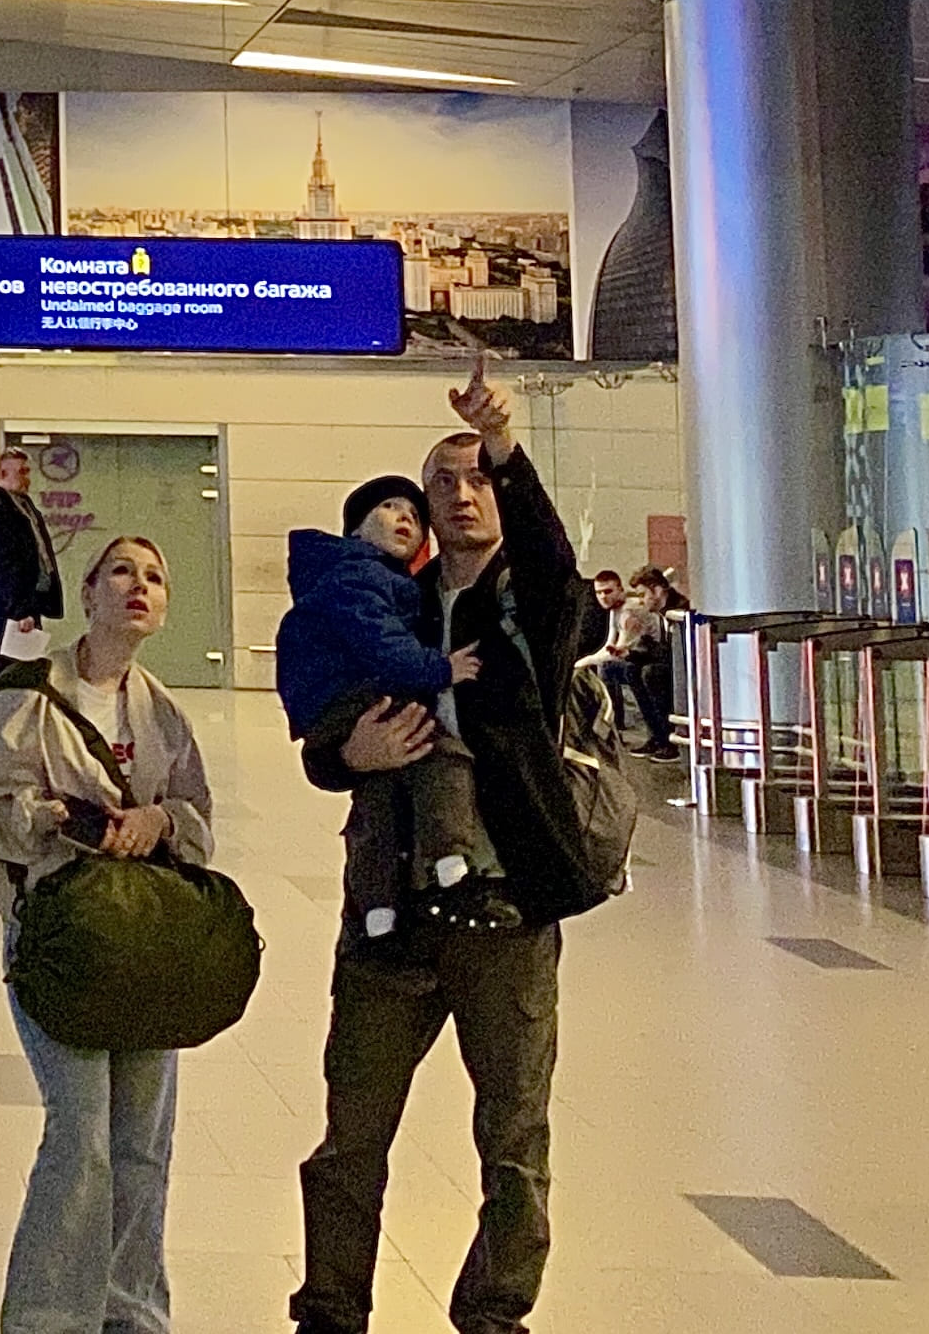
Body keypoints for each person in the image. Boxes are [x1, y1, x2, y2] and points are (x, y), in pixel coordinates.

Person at [292, 360, 598, 1334]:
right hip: (388, 912)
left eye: (479, 478)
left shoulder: (530, 605)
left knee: (512, 1136)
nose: (463, 493)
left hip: (504, 912)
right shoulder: (395, 604)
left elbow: (552, 559)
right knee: (350, 1136)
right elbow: (326, 720)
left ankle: (494, 1311)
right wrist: (346, 751)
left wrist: (502, 439)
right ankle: (329, 1309)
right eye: (443, 481)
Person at [0, 535, 212, 1334]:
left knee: (142, 1140)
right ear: (88, 593)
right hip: (59, 939)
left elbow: (198, 822)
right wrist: (51, 818)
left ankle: (131, 1312)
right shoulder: (26, 696)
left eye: (155, 575)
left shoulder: (163, 712)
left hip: (144, 941)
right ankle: (48, 1317)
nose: (139, 584)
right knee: (80, 1132)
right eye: (121, 570)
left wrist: (159, 820)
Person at [275, 477, 509, 937]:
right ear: (356, 529)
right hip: (352, 698)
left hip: (333, 705)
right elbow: (382, 644)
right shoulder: (361, 576)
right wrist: (441, 669)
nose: (404, 517)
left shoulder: (374, 577)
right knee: (441, 754)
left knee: (380, 798)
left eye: (414, 516)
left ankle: (377, 907)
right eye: (388, 506)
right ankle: (451, 859)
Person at [0, 444, 67, 647]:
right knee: (12, 660)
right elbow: (2, 563)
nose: (27, 478)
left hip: (29, 599)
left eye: (28, 472)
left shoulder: (23, 504)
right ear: (3, 473)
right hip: (12, 608)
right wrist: (19, 610)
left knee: (26, 660)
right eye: (22, 472)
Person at [585, 567, 678, 757]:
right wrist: (627, 652)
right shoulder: (618, 610)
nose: (641, 601)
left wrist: (583, 662)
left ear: (657, 591)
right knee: (627, 669)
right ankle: (653, 736)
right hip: (656, 658)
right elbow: (616, 647)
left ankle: (657, 736)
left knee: (640, 671)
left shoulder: (631, 611)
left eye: (642, 595)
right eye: (599, 592)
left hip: (668, 664)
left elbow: (665, 652)